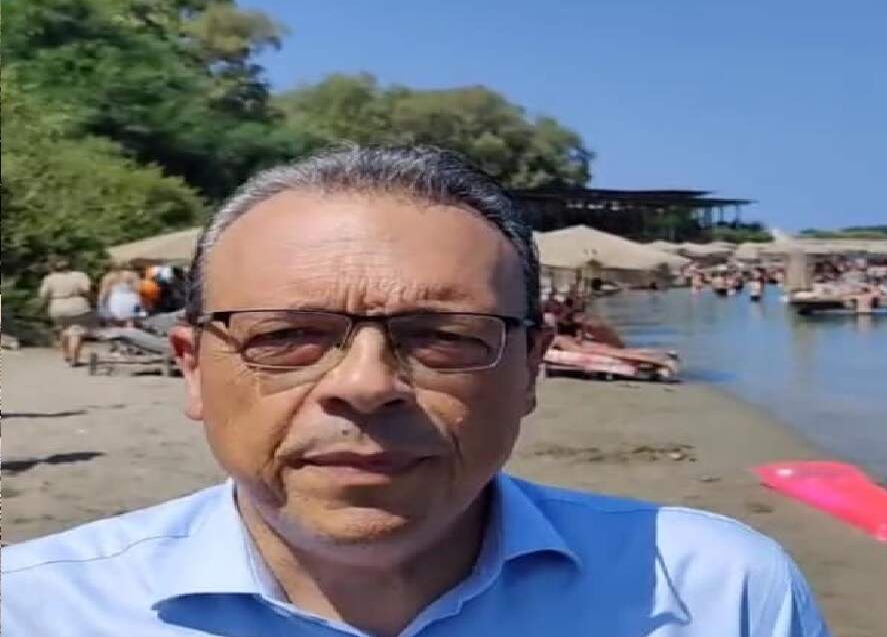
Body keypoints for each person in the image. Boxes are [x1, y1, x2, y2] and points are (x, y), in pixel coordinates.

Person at [2, 146, 829, 637]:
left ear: (531, 367)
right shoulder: (39, 611)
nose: (366, 386)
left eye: (442, 336)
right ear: (192, 366)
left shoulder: (710, 593)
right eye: (287, 335)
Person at [36, 257, 93, 366]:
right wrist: (91, 300)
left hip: (58, 305)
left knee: (63, 329)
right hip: (77, 305)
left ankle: (66, 354)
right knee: (76, 331)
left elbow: (43, 295)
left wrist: (41, 307)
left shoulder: (49, 278)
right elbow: (87, 290)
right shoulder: (80, 275)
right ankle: (74, 358)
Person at [97, 262, 143, 326]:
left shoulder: (107, 277)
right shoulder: (134, 275)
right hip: (132, 303)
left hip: (116, 305)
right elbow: (137, 290)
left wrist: (101, 309)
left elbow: (103, 295)